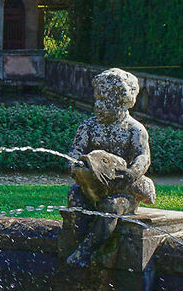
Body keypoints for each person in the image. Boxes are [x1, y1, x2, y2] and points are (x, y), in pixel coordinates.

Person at [62, 67, 156, 267]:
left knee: (111, 207)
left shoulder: (134, 129)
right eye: (97, 99)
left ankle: (85, 252)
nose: (98, 105)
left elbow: (143, 156)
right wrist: (74, 166)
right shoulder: (89, 126)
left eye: (104, 100)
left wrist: (131, 173)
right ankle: (80, 243)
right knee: (75, 196)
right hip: (91, 186)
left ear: (123, 101)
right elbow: (75, 151)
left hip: (121, 190)